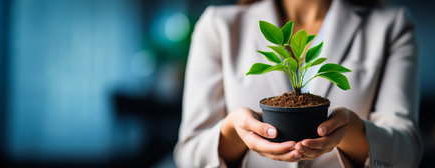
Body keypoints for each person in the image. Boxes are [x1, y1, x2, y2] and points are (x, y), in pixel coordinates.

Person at [174, 0, 423, 167]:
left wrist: (352, 132)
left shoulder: (391, 24)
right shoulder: (219, 25)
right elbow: (188, 155)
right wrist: (232, 132)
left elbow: (407, 153)